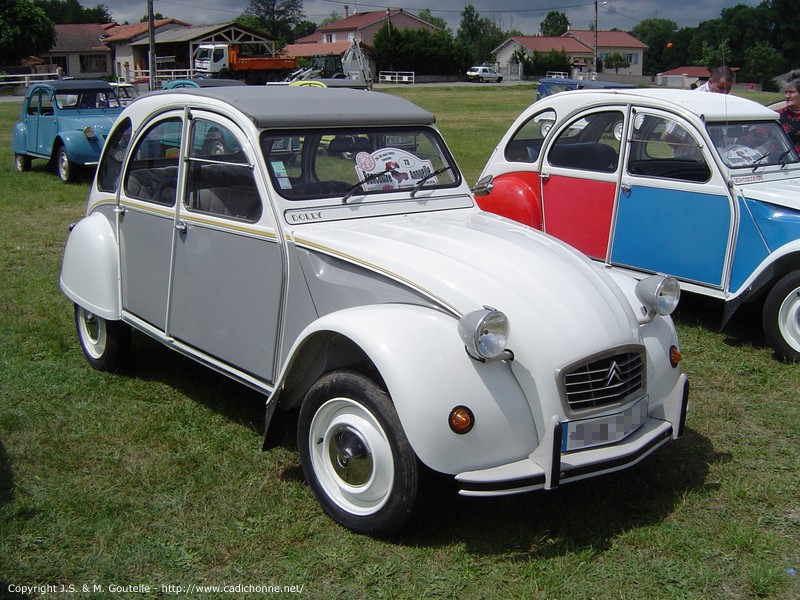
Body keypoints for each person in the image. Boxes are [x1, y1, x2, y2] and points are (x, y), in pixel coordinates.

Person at [778, 77, 800, 154]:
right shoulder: (777, 116)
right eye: (786, 92)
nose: (787, 96)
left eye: (791, 92)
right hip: (782, 162)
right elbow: (755, 138)